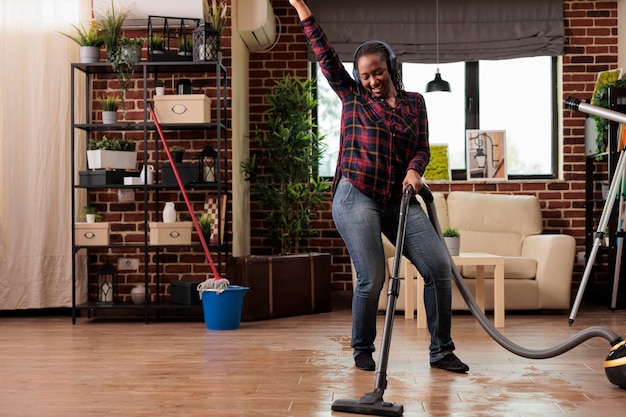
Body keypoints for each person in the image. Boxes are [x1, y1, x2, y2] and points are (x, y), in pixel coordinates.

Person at [289, 0, 469, 374]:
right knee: (373, 276)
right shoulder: (352, 96)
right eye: (365, 74)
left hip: (398, 198)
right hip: (355, 196)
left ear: (392, 68)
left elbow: (420, 147)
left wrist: (416, 170)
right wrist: (301, 6)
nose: (372, 80)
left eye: (378, 72)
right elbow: (323, 53)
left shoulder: (415, 104)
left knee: (438, 267)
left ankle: (441, 351)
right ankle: (362, 349)